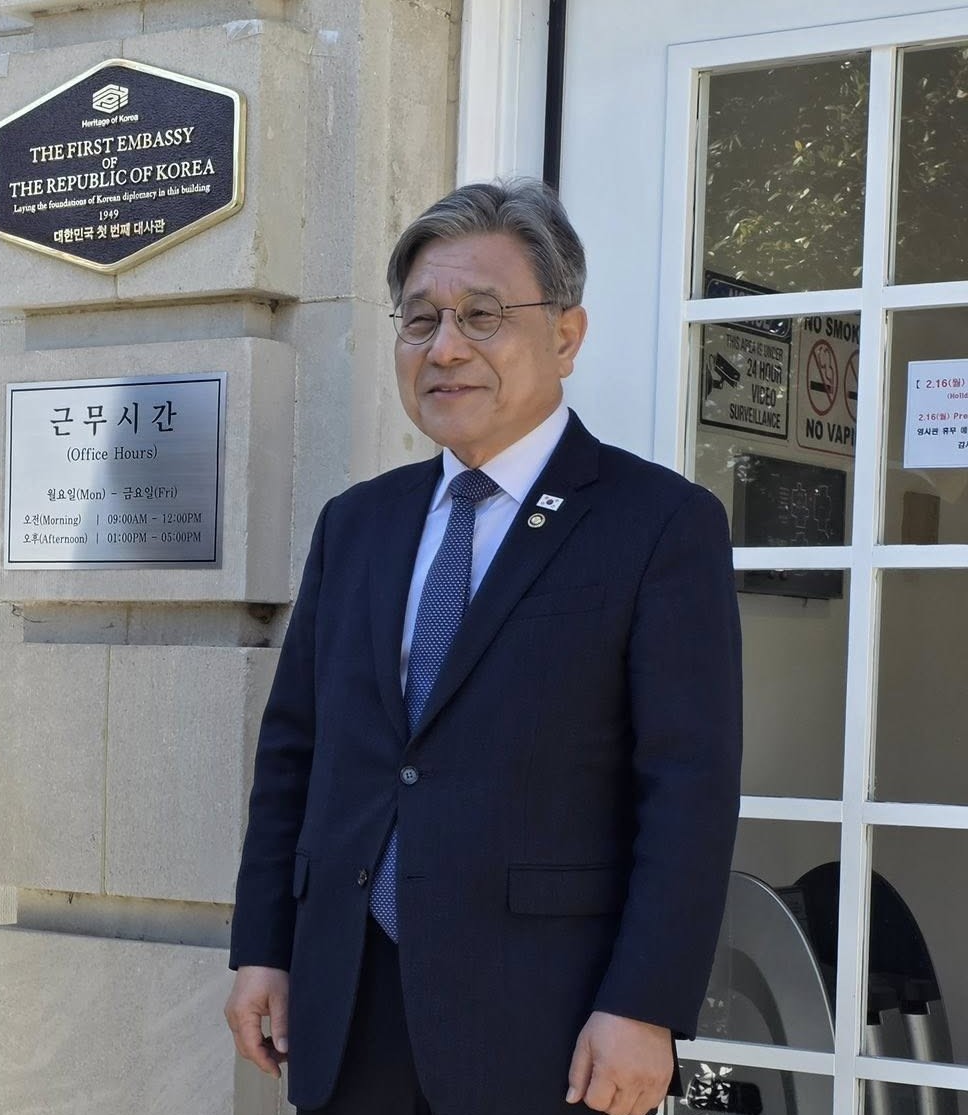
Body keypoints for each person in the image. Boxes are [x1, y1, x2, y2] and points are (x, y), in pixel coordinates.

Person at [225, 179, 742, 1115]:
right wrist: (262, 944)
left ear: (567, 336)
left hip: (547, 1021)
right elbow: (296, 753)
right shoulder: (359, 524)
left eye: (483, 315)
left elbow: (689, 790)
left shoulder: (658, 524)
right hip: (349, 1002)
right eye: (419, 320)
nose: (446, 346)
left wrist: (644, 1004)